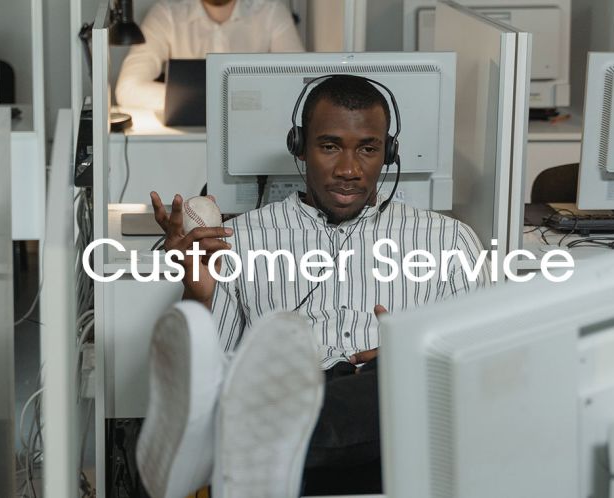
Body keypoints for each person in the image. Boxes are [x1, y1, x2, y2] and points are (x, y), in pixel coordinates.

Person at [139, 75, 489, 498]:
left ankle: (231, 443)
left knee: (395, 382)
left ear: (389, 153)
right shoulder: (241, 238)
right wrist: (198, 292)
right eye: (330, 146)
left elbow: (486, 370)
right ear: (300, 147)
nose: (349, 170)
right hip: (291, 394)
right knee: (272, 388)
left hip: (389, 415)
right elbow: (217, 366)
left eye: (368, 149)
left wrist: (415, 357)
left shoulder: (449, 240)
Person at [116, 0, 304, 109]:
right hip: (187, 143)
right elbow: (127, 88)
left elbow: (299, 83)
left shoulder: (271, 11)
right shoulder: (167, 14)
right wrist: (205, 101)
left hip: (256, 134)